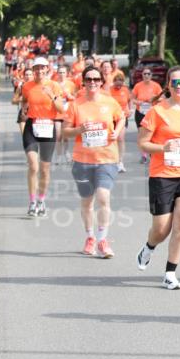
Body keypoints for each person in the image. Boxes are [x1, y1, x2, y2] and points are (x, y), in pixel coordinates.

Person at [136, 65, 180, 289]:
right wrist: (163, 148)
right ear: (168, 85)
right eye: (174, 82)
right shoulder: (157, 111)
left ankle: (170, 273)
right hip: (162, 174)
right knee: (161, 228)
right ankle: (149, 246)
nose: (179, 86)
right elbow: (142, 143)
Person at [61, 65, 124, 258]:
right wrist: (79, 130)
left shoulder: (110, 102)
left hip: (107, 158)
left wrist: (116, 130)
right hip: (82, 160)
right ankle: (90, 237)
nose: (93, 82)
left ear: (101, 82)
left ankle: (103, 240)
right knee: (87, 202)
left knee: (103, 197)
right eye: (89, 79)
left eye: (96, 79)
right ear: (84, 82)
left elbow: (121, 117)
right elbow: (65, 131)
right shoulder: (76, 105)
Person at [20, 57, 66, 216]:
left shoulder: (54, 86)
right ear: (33, 70)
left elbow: (61, 109)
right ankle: (32, 202)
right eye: (36, 68)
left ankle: (41, 200)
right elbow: (24, 101)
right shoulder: (27, 86)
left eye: (42, 68)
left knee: (45, 169)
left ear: (47, 69)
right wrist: (24, 109)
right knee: (33, 165)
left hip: (48, 127)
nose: (39, 71)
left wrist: (52, 95)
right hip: (32, 126)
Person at [132, 67, 163, 163]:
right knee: (142, 135)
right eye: (144, 74)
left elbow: (162, 98)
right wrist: (139, 102)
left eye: (148, 74)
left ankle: (152, 152)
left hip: (152, 113)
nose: (146, 75)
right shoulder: (138, 86)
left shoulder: (156, 86)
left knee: (152, 134)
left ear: (151, 75)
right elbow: (132, 99)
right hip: (140, 112)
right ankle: (144, 155)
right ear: (142, 75)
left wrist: (155, 99)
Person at [54, 64, 78, 163]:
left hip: (67, 111)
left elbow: (75, 97)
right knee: (58, 135)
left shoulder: (71, 84)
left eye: (64, 72)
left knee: (66, 135)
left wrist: (69, 97)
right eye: (60, 72)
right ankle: (58, 156)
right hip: (57, 112)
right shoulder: (54, 84)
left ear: (67, 73)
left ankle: (67, 153)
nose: (62, 74)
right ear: (57, 73)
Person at [109, 71, 131, 171]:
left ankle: (120, 162)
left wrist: (129, 110)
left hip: (122, 117)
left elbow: (129, 101)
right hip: (111, 118)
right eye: (117, 82)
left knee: (121, 138)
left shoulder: (125, 90)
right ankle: (113, 160)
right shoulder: (109, 90)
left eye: (121, 82)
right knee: (112, 139)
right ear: (114, 82)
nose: (119, 84)